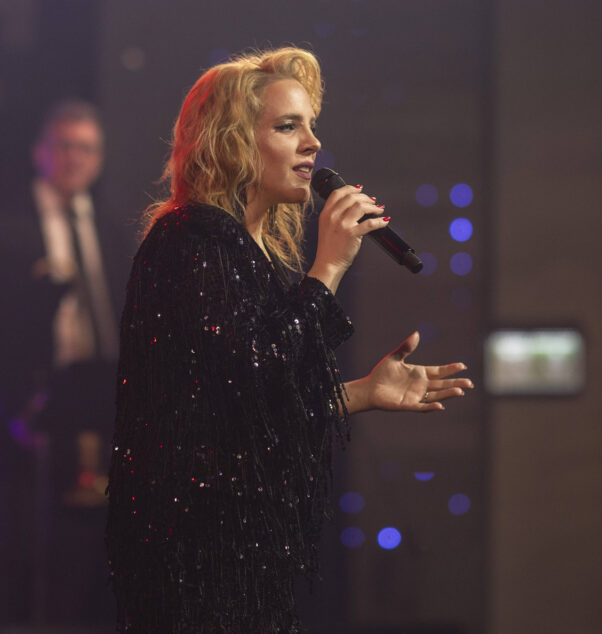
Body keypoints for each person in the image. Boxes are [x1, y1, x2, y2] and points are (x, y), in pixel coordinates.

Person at [104, 47, 474, 632]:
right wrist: (328, 268)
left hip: (239, 551)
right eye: (287, 126)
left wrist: (361, 392)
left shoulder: (243, 251)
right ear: (231, 143)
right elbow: (251, 378)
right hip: (195, 557)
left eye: (311, 125)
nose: (313, 143)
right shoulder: (190, 239)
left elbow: (253, 406)